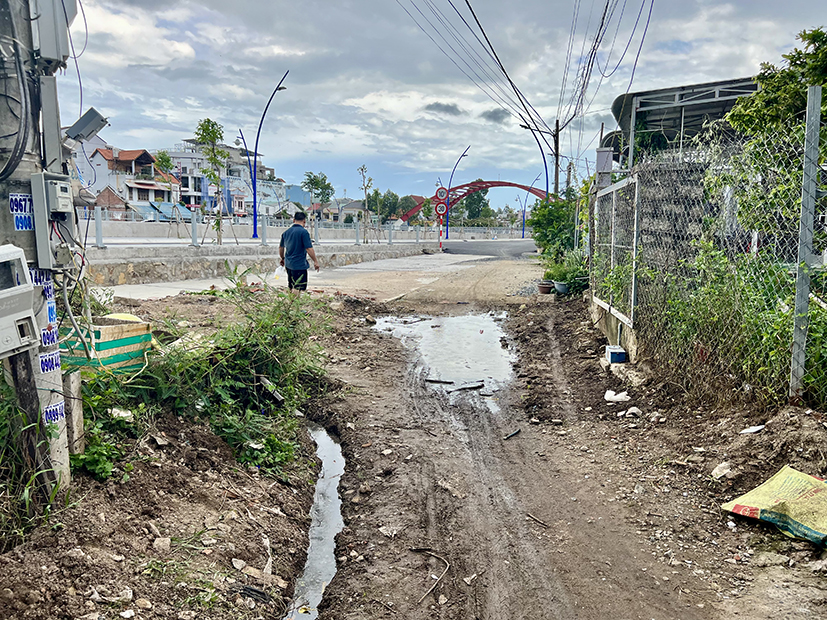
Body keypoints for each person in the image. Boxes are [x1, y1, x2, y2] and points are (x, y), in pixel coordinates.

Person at [279, 211, 320, 293]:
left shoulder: (286, 233)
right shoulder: (304, 232)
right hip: (299, 265)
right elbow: (309, 249)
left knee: (291, 285)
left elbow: (281, 247)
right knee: (298, 287)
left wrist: (283, 258)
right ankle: (294, 304)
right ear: (304, 221)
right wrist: (315, 261)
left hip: (288, 264)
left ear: (294, 220)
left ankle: (290, 303)